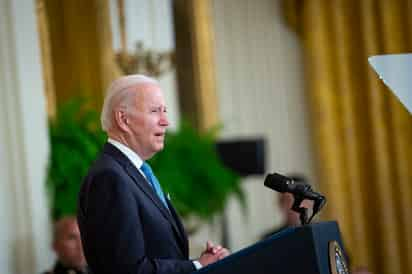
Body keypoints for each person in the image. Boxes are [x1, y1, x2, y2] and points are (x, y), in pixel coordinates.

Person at [77, 74, 229, 274]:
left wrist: (202, 262)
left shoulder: (135, 172)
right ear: (123, 119)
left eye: (164, 111)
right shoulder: (110, 177)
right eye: (155, 111)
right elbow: (127, 270)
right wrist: (197, 266)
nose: (165, 121)